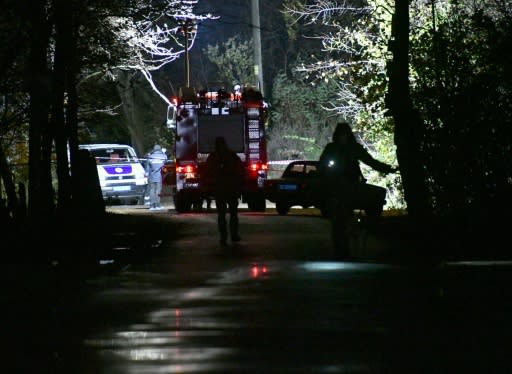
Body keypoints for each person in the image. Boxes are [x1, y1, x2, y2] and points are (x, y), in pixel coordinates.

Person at [318, 122, 397, 257]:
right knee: (338, 218)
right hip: (338, 189)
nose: (343, 137)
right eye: (341, 135)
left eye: (345, 134)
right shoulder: (333, 148)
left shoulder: (352, 148)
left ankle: (371, 227)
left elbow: (371, 162)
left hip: (351, 187)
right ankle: (341, 247)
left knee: (375, 197)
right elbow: (322, 165)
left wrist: (387, 169)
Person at [203, 136, 245, 246]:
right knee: (233, 213)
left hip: (219, 189)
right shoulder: (232, 156)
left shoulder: (213, 157)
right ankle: (234, 235)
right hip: (231, 188)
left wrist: (209, 187)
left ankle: (223, 237)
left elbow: (207, 172)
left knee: (221, 214)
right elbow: (240, 170)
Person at [145, 144, 167, 210]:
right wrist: (163, 152)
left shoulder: (150, 157)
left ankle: (152, 206)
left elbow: (147, 169)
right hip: (159, 176)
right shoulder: (163, 156)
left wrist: (147, 174)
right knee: (158, 190)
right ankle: (157, 205)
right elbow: (165, 162)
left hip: (151, 176)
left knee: (152, 190)